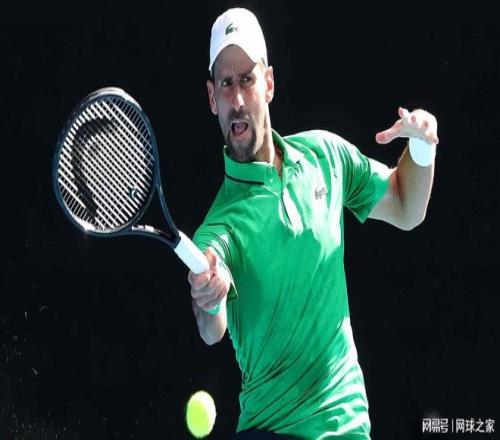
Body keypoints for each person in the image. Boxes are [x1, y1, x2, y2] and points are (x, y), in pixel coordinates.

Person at [188, 7, 438, 439]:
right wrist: (208, 296)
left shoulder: (326, 156)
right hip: (271, 430)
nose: (238, 99)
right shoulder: (218, 230)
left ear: (269, 83)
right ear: (212, 98)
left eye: (247, 79)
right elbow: (212, 329)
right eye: (225, 84)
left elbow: (405, 206)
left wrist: (421, 148)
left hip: (348, 426)